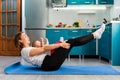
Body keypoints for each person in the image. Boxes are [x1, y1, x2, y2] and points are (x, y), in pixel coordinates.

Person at [14, 24, 105, 71]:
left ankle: (95, 35)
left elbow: (44, 49)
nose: (27, 36)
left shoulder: (27, 49)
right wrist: (60, 45)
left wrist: (60, 44)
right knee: (70, 42)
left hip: (49, 63)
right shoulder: (25, 51)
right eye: (24, 36)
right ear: (20, 40)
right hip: (49, 64)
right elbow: (44, 49)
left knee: (69, 42)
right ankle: (96, 35)